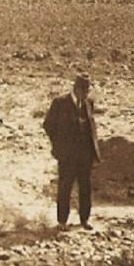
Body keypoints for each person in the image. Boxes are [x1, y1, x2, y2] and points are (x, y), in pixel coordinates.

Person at [41, 73, 101, 231]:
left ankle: (84, 220)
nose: (86, 94)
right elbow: (48, 125)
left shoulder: (88, 103)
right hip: (67, 156)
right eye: (84, 91)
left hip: (85, 155)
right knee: (65, 188)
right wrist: (59, 145)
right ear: (76, 89)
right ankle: (62, 221)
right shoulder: (60, 103)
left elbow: (90, 127)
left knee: (85, 188)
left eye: (88, 91)